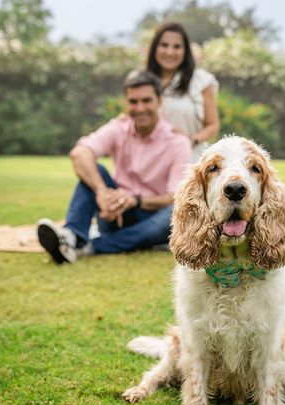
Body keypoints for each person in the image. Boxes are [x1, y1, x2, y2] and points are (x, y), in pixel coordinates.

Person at [37, 71, 191, 264]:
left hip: (153, 218)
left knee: (175, 213)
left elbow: (174, 196)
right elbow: (80, 153)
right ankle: (72, 235)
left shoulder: (178, 142)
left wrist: (135, 200)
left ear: (159, 101)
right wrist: (102, 193)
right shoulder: (118, 128)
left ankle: (87, 246)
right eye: (133, 102)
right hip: (114, 213)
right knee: (95, 170)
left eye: (146, 100)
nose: (140, 108)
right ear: (126, 103)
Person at [146, 22, 220, 161]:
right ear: (155, 48)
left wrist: (191, 140)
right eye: (164, 45)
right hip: (153, 162)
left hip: (191, 160)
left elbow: (213, 125)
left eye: (177, 47)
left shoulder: (201, 80)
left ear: (185, 51)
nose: (170, 52)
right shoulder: (144, 82)